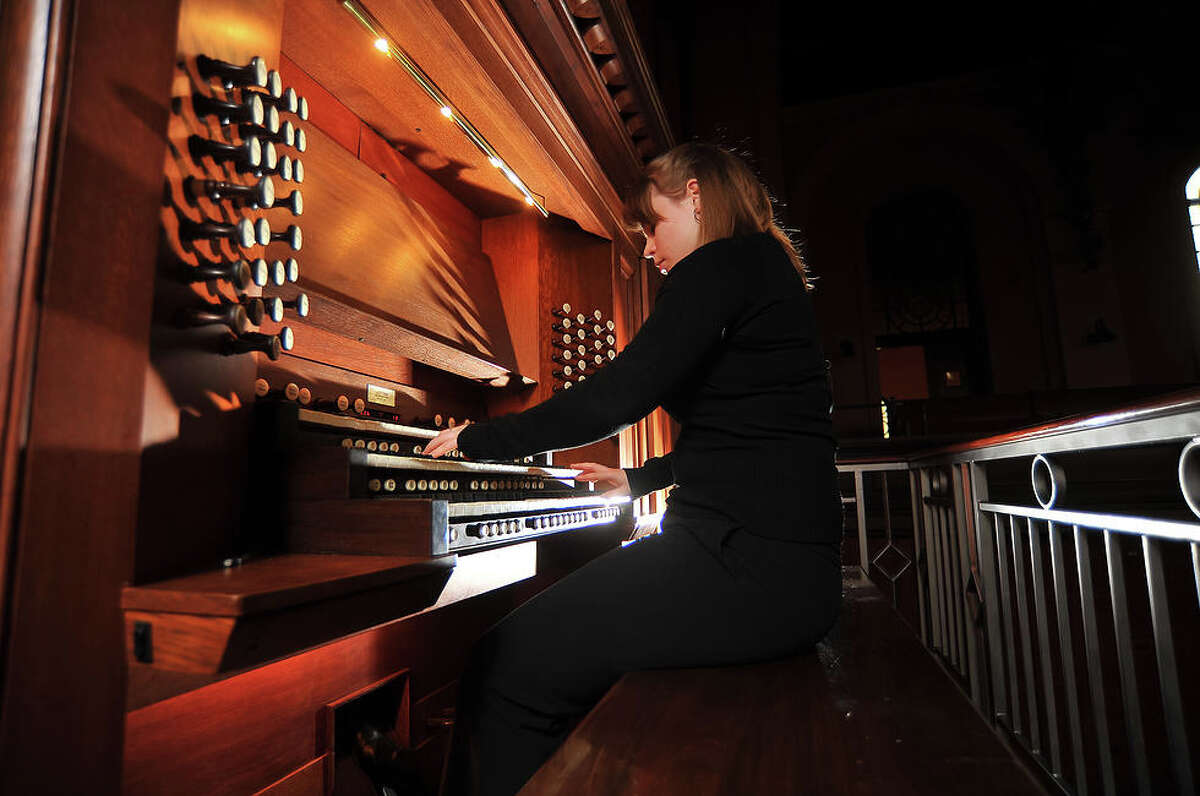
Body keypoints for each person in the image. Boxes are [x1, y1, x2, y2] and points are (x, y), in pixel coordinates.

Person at [424, 141, 843, 796]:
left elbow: (620, 395)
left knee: (503, 663)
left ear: (698, 196)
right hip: (773, 564)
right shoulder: (762, 266)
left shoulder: (722, 262)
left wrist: (481, 438)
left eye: (654, 224)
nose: (648, 248)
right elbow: (745, 433)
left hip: (747, 567)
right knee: (541, 655)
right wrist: (638, 480)